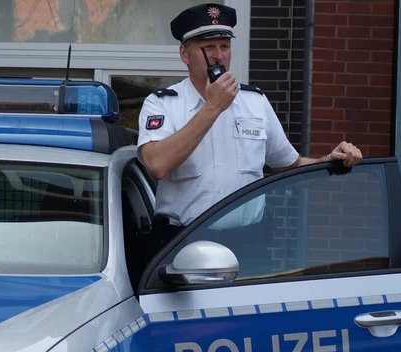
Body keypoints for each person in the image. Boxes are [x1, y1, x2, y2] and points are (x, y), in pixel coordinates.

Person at [137, 3, 363, 256]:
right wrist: (212, 108)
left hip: (249, 245)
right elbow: (156, 165)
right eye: (208, 47)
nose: (218, 56)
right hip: (183, 243)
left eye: (225, 46)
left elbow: (289, 165)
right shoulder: (163, 103)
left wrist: (328, 162)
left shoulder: (254, 102)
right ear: (184, 54)